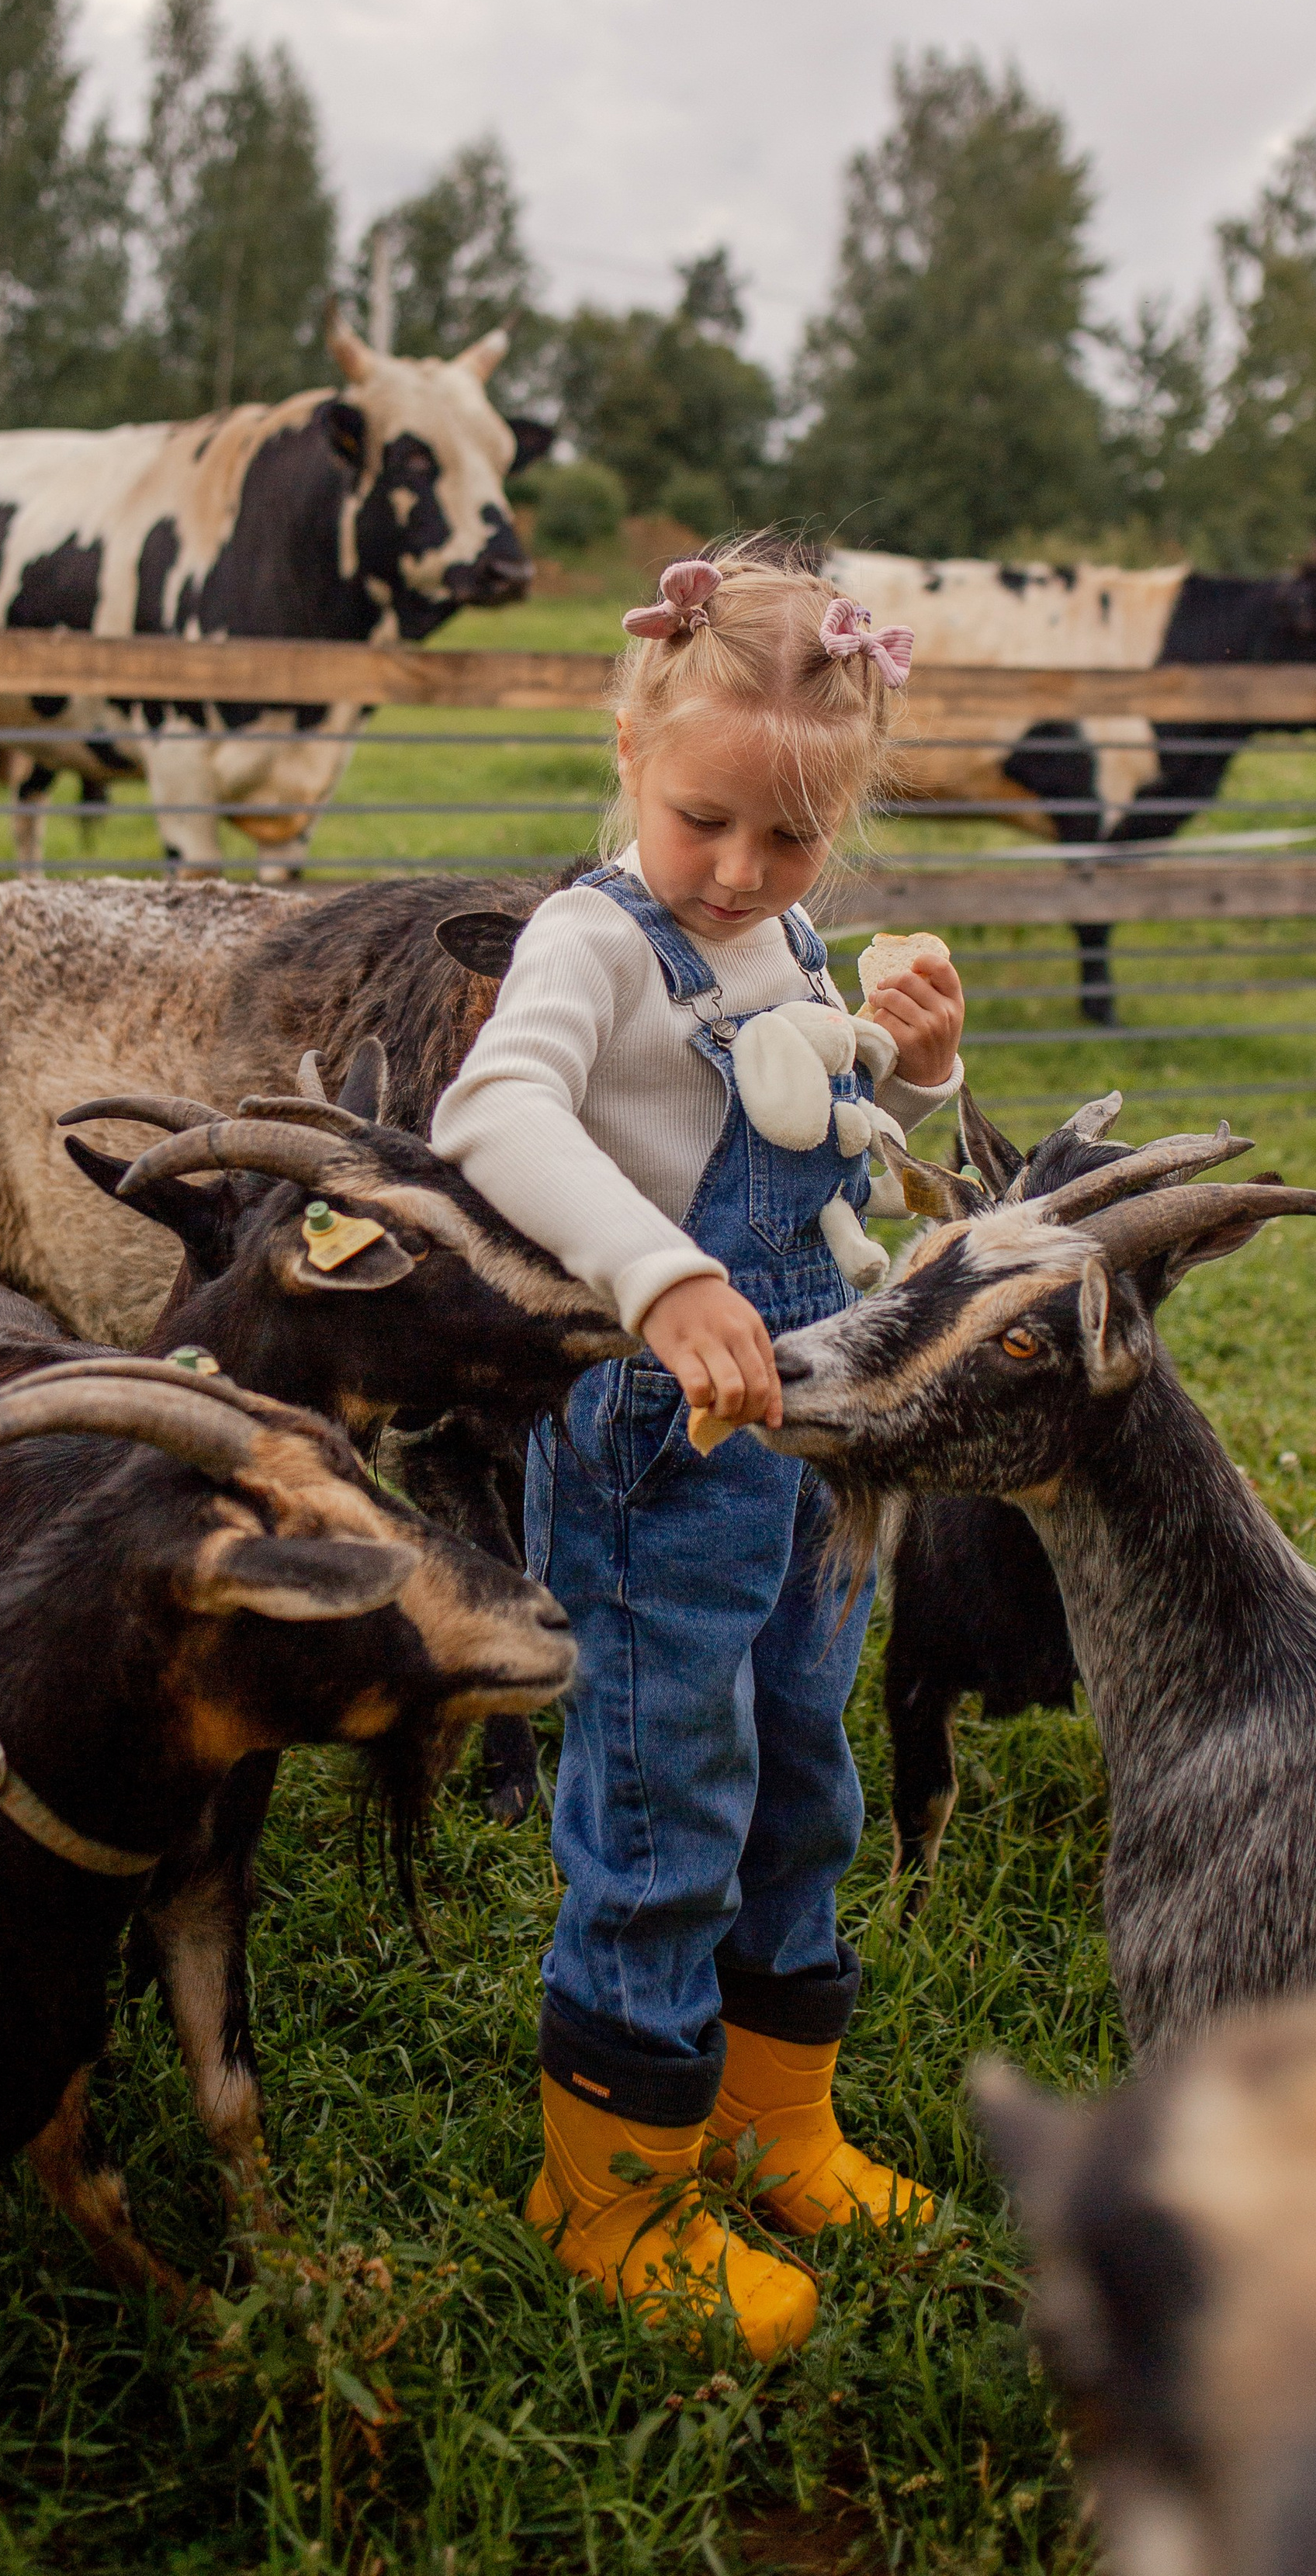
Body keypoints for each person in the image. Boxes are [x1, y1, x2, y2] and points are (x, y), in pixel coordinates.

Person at [431, 542, 966, 2357]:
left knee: (804, 1764)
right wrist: (656, 1277)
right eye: (703, 821)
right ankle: (610, 2183)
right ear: (627, 749)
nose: (738, 872)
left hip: (804, 1451)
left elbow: (813, 1146)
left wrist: (912, 1072)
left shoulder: (785, 943)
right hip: (655, 1460)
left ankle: (772, 2110)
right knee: (666, 1803)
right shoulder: (590, 941)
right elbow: (492, 1112)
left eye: (789, 840)